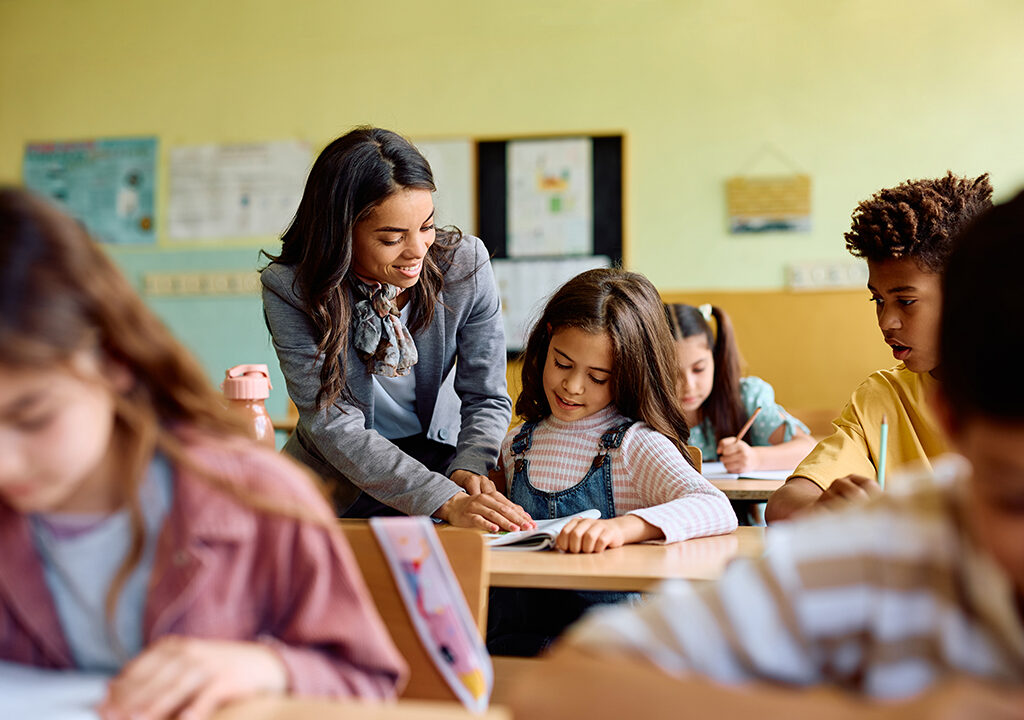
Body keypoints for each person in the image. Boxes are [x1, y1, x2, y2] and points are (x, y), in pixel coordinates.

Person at [508, 189, 1024, 719]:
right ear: (951, 417)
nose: (887, 321)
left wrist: (631, 524)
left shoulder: (680, 428)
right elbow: (559, 687)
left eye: (597, 376)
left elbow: (713, 502)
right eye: (1013, 499)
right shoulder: (904, 540)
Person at [0, 189, 407, 720]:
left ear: (114, 361)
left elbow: (368, 682)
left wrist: (266, 668)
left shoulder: (257, 495)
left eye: (34, 416)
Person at [262, 127, 532, 533]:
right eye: (392, 238)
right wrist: (443, 499)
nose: (418, 251)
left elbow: (486, 395)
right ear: (341, 234)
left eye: (426, 226)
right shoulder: (293, 289)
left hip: (442, 465)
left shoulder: (464, 265)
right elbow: (333, 424)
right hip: (335, 482)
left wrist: (472, 464)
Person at [487, 269, 737, 655]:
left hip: (606, 649)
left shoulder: (634, 445)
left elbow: (716, 508)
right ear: (547, 339)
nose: (573, 386)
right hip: (514, 647)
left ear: (630, 374)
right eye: (563, 363)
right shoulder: (516, 444)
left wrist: (623, 529)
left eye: (598, 377)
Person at [766, 172, 993, 522]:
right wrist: (821, 506)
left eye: (906, 301)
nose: (886, 322)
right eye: (878, 300)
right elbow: (783, 505)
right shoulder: (882, 396)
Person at [665, 303, 814, 472]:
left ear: (715, 358)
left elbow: (808, 449)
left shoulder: (746, 397)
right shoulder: (642, 410)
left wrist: (756, 459)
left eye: (699, 369)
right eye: (672, 373)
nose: (689, 386)